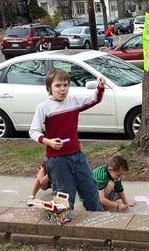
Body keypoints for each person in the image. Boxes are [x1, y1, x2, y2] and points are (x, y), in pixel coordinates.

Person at [29, 68, 105, 211]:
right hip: (58, 160)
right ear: (49, 87)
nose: (62, 89)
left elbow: (95, 99)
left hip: (77, 155)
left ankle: (97, 219)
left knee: (91, 190)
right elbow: (33, 131)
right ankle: (65, 224)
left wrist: (100, 87)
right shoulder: (44, 107)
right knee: (65, 197)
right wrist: (48, 141)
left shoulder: (73, 101)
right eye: (58, 85)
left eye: (65, 85)